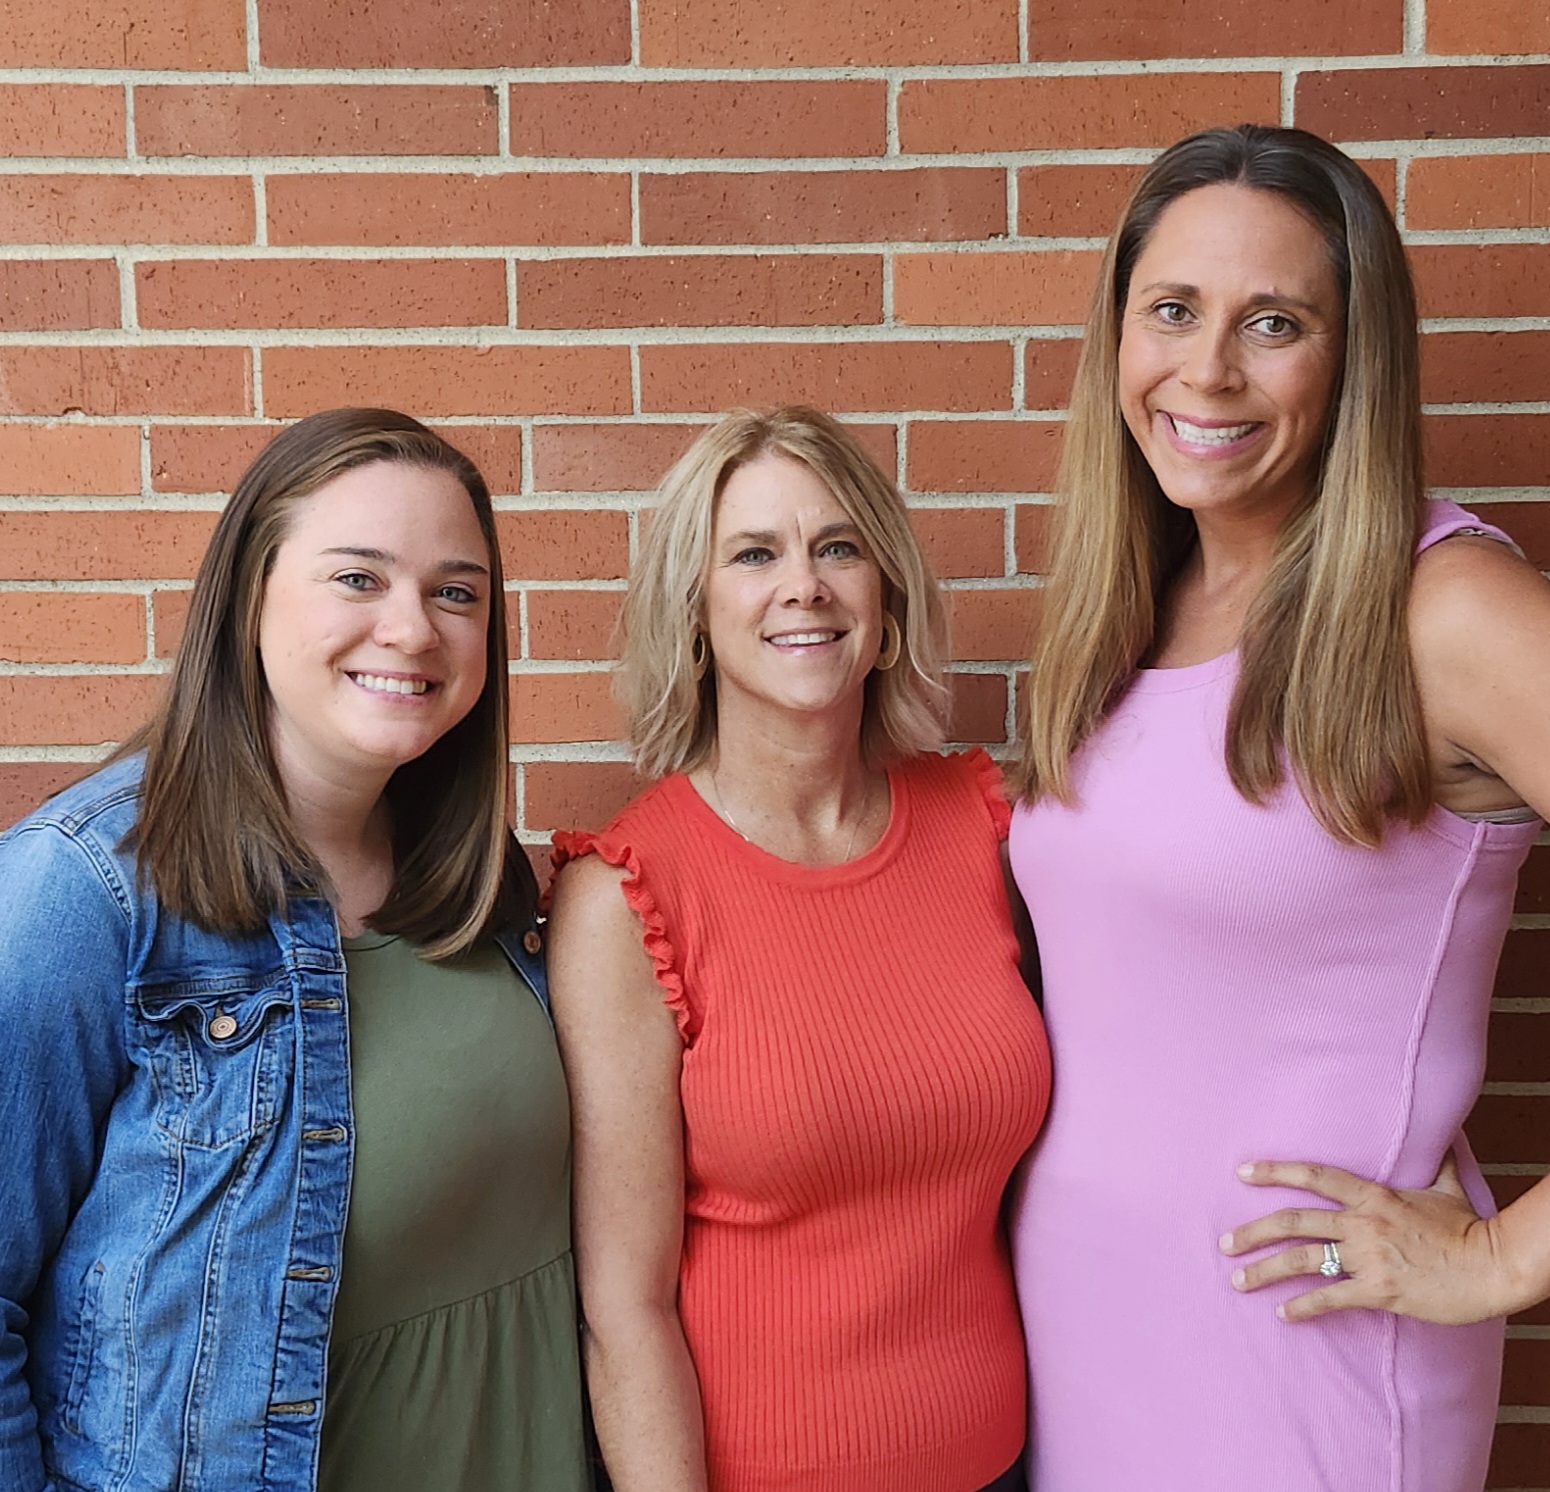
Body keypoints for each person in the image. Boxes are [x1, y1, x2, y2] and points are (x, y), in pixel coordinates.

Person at [1007, 122, 1550, 1490]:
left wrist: (1503, 1256)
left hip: (1308, 1355)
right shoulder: (1132, 611)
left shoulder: (1441, 607)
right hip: (1091, 1335)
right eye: (1170, 310)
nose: (1207, 370)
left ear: (1353, 356)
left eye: (1272, 323)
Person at [0, 409, 591, 1492]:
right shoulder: (85, 890)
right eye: (358, 578)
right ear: (249, 596)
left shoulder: (476, 876)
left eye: (456, 592)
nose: (413, 628)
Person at [546, 406, 1051, 1492]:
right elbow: (624, 1309)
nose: (804, 586)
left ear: (886, 594)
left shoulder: (983, 828)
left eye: (837, 547)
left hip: (1006, 1462)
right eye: (753, 554)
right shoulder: (628, 896)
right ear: (694, 610)